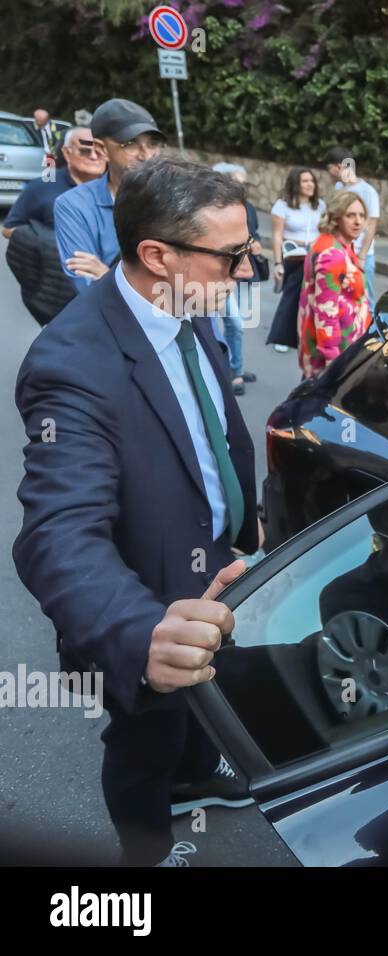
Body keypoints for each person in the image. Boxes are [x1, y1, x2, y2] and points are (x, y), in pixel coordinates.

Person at [14, 158, 260, 867]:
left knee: (201, 703)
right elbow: (58, 533)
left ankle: (197, 773)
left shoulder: (185, 305)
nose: (246, 272)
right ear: (157, 255)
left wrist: (243, 522)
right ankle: (146, 856)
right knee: (144, 738)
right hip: (147, 597)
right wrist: (137, 630)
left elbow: (209, 434)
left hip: (213, 564)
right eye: (231, 256)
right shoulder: (71, 364)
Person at [55, 98, 164, 292]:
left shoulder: (176, 199)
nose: (146, 155)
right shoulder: (74, 205)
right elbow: (86, 286)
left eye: (153, 144)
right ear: (101, 149)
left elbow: (192, 279)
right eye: (131, 144)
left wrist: (107, 275)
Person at [4, 126, 104, 325]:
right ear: (67, 153)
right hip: (58, 296)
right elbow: (9, 228)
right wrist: (48, 243)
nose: (94, 156)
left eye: (100, 151)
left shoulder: (119, 189)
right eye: (85, 150)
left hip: (106, 293)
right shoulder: (42, 187)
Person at [299, 190, 372, 378]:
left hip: (344, 346)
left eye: (362, 215)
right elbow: (326, 312)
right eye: (350, 215)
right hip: (337, 353)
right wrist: (332, 360)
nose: (358, 222)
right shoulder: (333, 254)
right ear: (337, 218)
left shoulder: (337, 245)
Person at [211, 163, 263, 395]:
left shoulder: (247, 207)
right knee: (235, 323)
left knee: (237, 325)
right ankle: (232, 372)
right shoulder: (213, 209)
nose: (243, 188)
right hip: (221, 274)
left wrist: (255, 243)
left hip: (242, 271)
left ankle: (236, 367)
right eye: (238, 183)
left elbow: (254, 232)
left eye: (245, 183)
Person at [267, 166, 325, 353]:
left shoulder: (320, 205)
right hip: (293, 254)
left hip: (315, 254)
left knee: (314, 295)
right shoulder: (282, 206)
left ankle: (308, 333)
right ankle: (282, 336)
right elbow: (277, 235)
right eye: (305, 181)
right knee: (291, 295)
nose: (310, 184)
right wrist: (277, 263)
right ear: (295, 184)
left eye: (312, 181)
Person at [323, 146, 380, 309]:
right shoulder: (338, 188)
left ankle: (371, 325)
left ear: (338, 167)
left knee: (366, 299)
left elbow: (371, 225)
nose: (329, 173)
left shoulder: (368, 191)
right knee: (342, 296)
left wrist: (362, 256)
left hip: (361, 254)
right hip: (340, 251)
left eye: (329, 168)